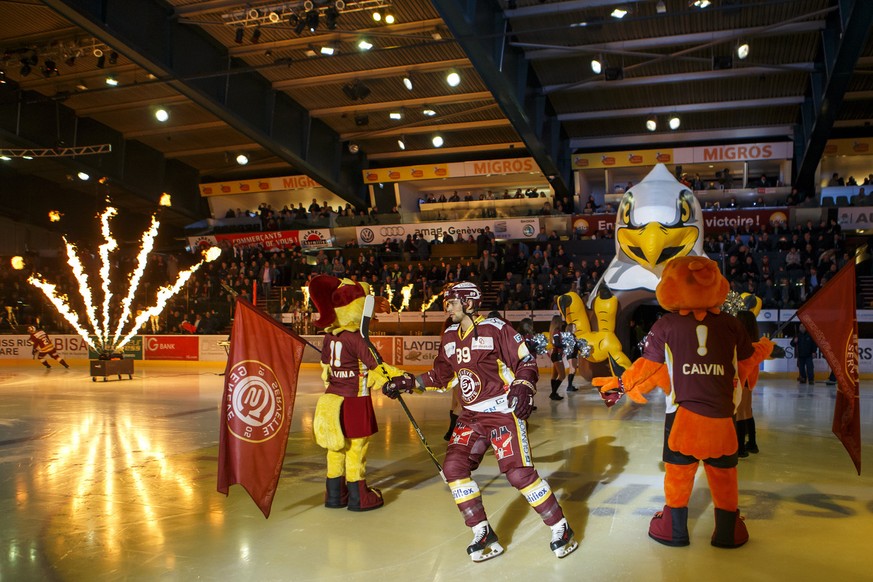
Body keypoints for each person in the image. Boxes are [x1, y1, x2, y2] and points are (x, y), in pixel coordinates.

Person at [382, 282, 577, 561]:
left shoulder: (496, 329)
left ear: (470, 303)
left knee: (519, 474)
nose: (446, 307)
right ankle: (482, 531)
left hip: (501, 412)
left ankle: (561, 528)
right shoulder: (449, 336)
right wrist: (409, 382)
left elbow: (526, 361)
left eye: (452, 302)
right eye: (446, 302)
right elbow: (442, 376)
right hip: (470, 416)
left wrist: (522, 385)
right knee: (453, 467)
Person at [734, 311, 760, 457]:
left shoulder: (744, 342)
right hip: (751, 378)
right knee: (747, 410)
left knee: (740, 411)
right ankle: (752, 443)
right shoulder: (753, 340)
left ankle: (741, 448)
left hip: (743, 377)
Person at [548, 315, 567, 400]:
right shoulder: (556, 331)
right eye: (561, 321)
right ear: (558, 322)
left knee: (554, 375)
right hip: (557, 355)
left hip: (555, 354)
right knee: (562, 375)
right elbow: (557, 344)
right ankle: (553, 393)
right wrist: (565, 344)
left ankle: (554, 393)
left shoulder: (554, 331)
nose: (562, 322)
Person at [564, 322, 579, 392]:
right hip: (571, 354)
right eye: (574, 327)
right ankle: (569, 386)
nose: (576, 328)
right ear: (571, 328)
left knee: (573, 370)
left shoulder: (573, 335)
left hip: (574, 354)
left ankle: (570, 385)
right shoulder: (570, 336)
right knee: (572, 369)